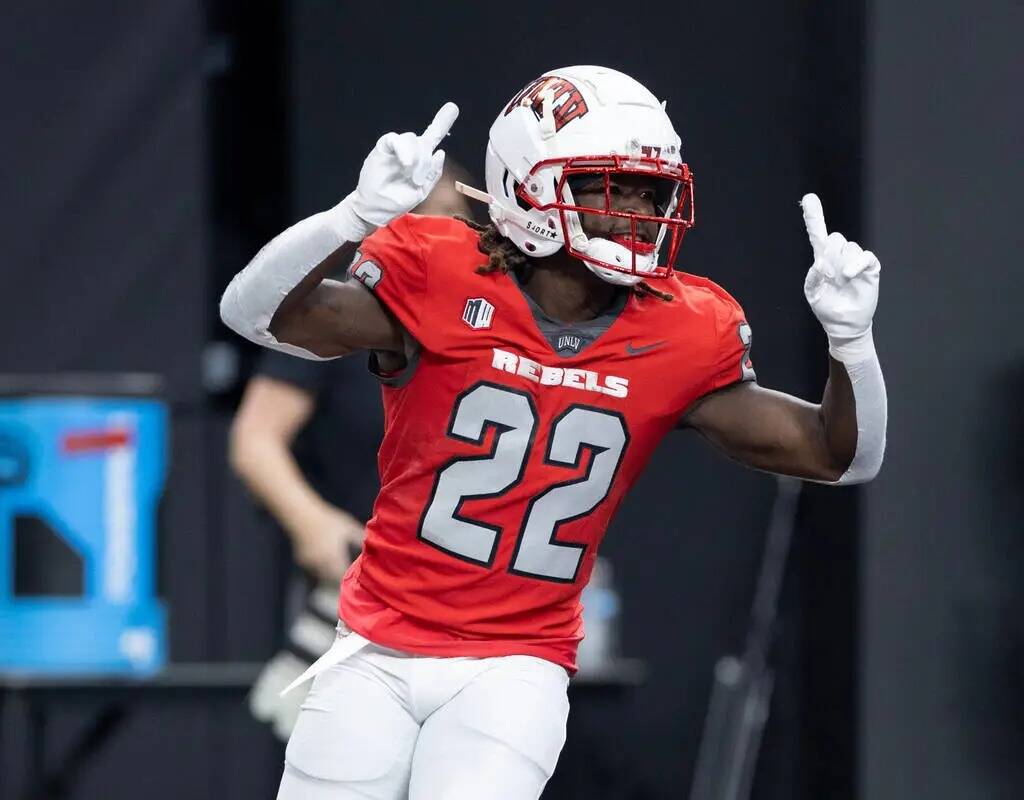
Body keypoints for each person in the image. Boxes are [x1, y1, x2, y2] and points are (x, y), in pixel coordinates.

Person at [219, 66, 886, 800]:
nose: (639, 208)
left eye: (649, 188)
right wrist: (351, 217)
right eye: (610, 185)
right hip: (374, 643)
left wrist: (852, 343)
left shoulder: (682, 329)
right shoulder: (441, 274)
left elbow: (840, 455)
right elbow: (255, 314)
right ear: (528, 187)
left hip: (516, 663)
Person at [231, 166, 473, 739]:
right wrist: (312, 523)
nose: (433, 235)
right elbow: (254, 439)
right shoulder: (347, 312)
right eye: (415, 220)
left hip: (459, 591)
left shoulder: (490, 328)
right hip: (352, 581)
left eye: (452, 223)